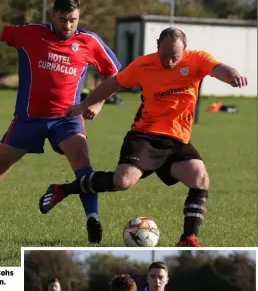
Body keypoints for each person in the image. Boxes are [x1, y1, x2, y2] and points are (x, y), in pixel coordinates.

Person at [39, 27, 248, 247]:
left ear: (185, 50)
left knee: (200, 178)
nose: (168, 62)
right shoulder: (143, 64)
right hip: (145, 136)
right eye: (164, 55)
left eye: (174, 57)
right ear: (157, 45)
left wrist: (232, 75)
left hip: (177, 141)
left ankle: (187, 238)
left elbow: (219, 69)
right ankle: (62, 190)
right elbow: (113, 83)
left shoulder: (198, 59)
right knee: (123, 182)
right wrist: (84, 104)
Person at [0, 0, 121, 243]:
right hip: (28, 119)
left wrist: (97, 103)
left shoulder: (89, 41)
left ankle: (92, 218)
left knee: (83, 166)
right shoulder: (32, 34)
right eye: (62, 19)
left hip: (67, 119)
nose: (68, 26)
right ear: (52, 16)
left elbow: (115, 74)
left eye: (73, 20)